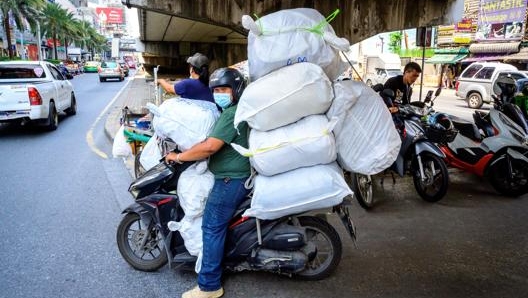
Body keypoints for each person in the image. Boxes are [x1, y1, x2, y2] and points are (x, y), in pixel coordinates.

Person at [165, 67, 251, 298]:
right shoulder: (230, 111)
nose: (219, 94)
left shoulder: (232, 112)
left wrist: (179, 157)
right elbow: (209, 140)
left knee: (211, 227)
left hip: (230, 180)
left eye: (224, 89)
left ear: (236, 90)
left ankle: (210, 286)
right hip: (230, 177)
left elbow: (210, 147)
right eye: (216, 90)